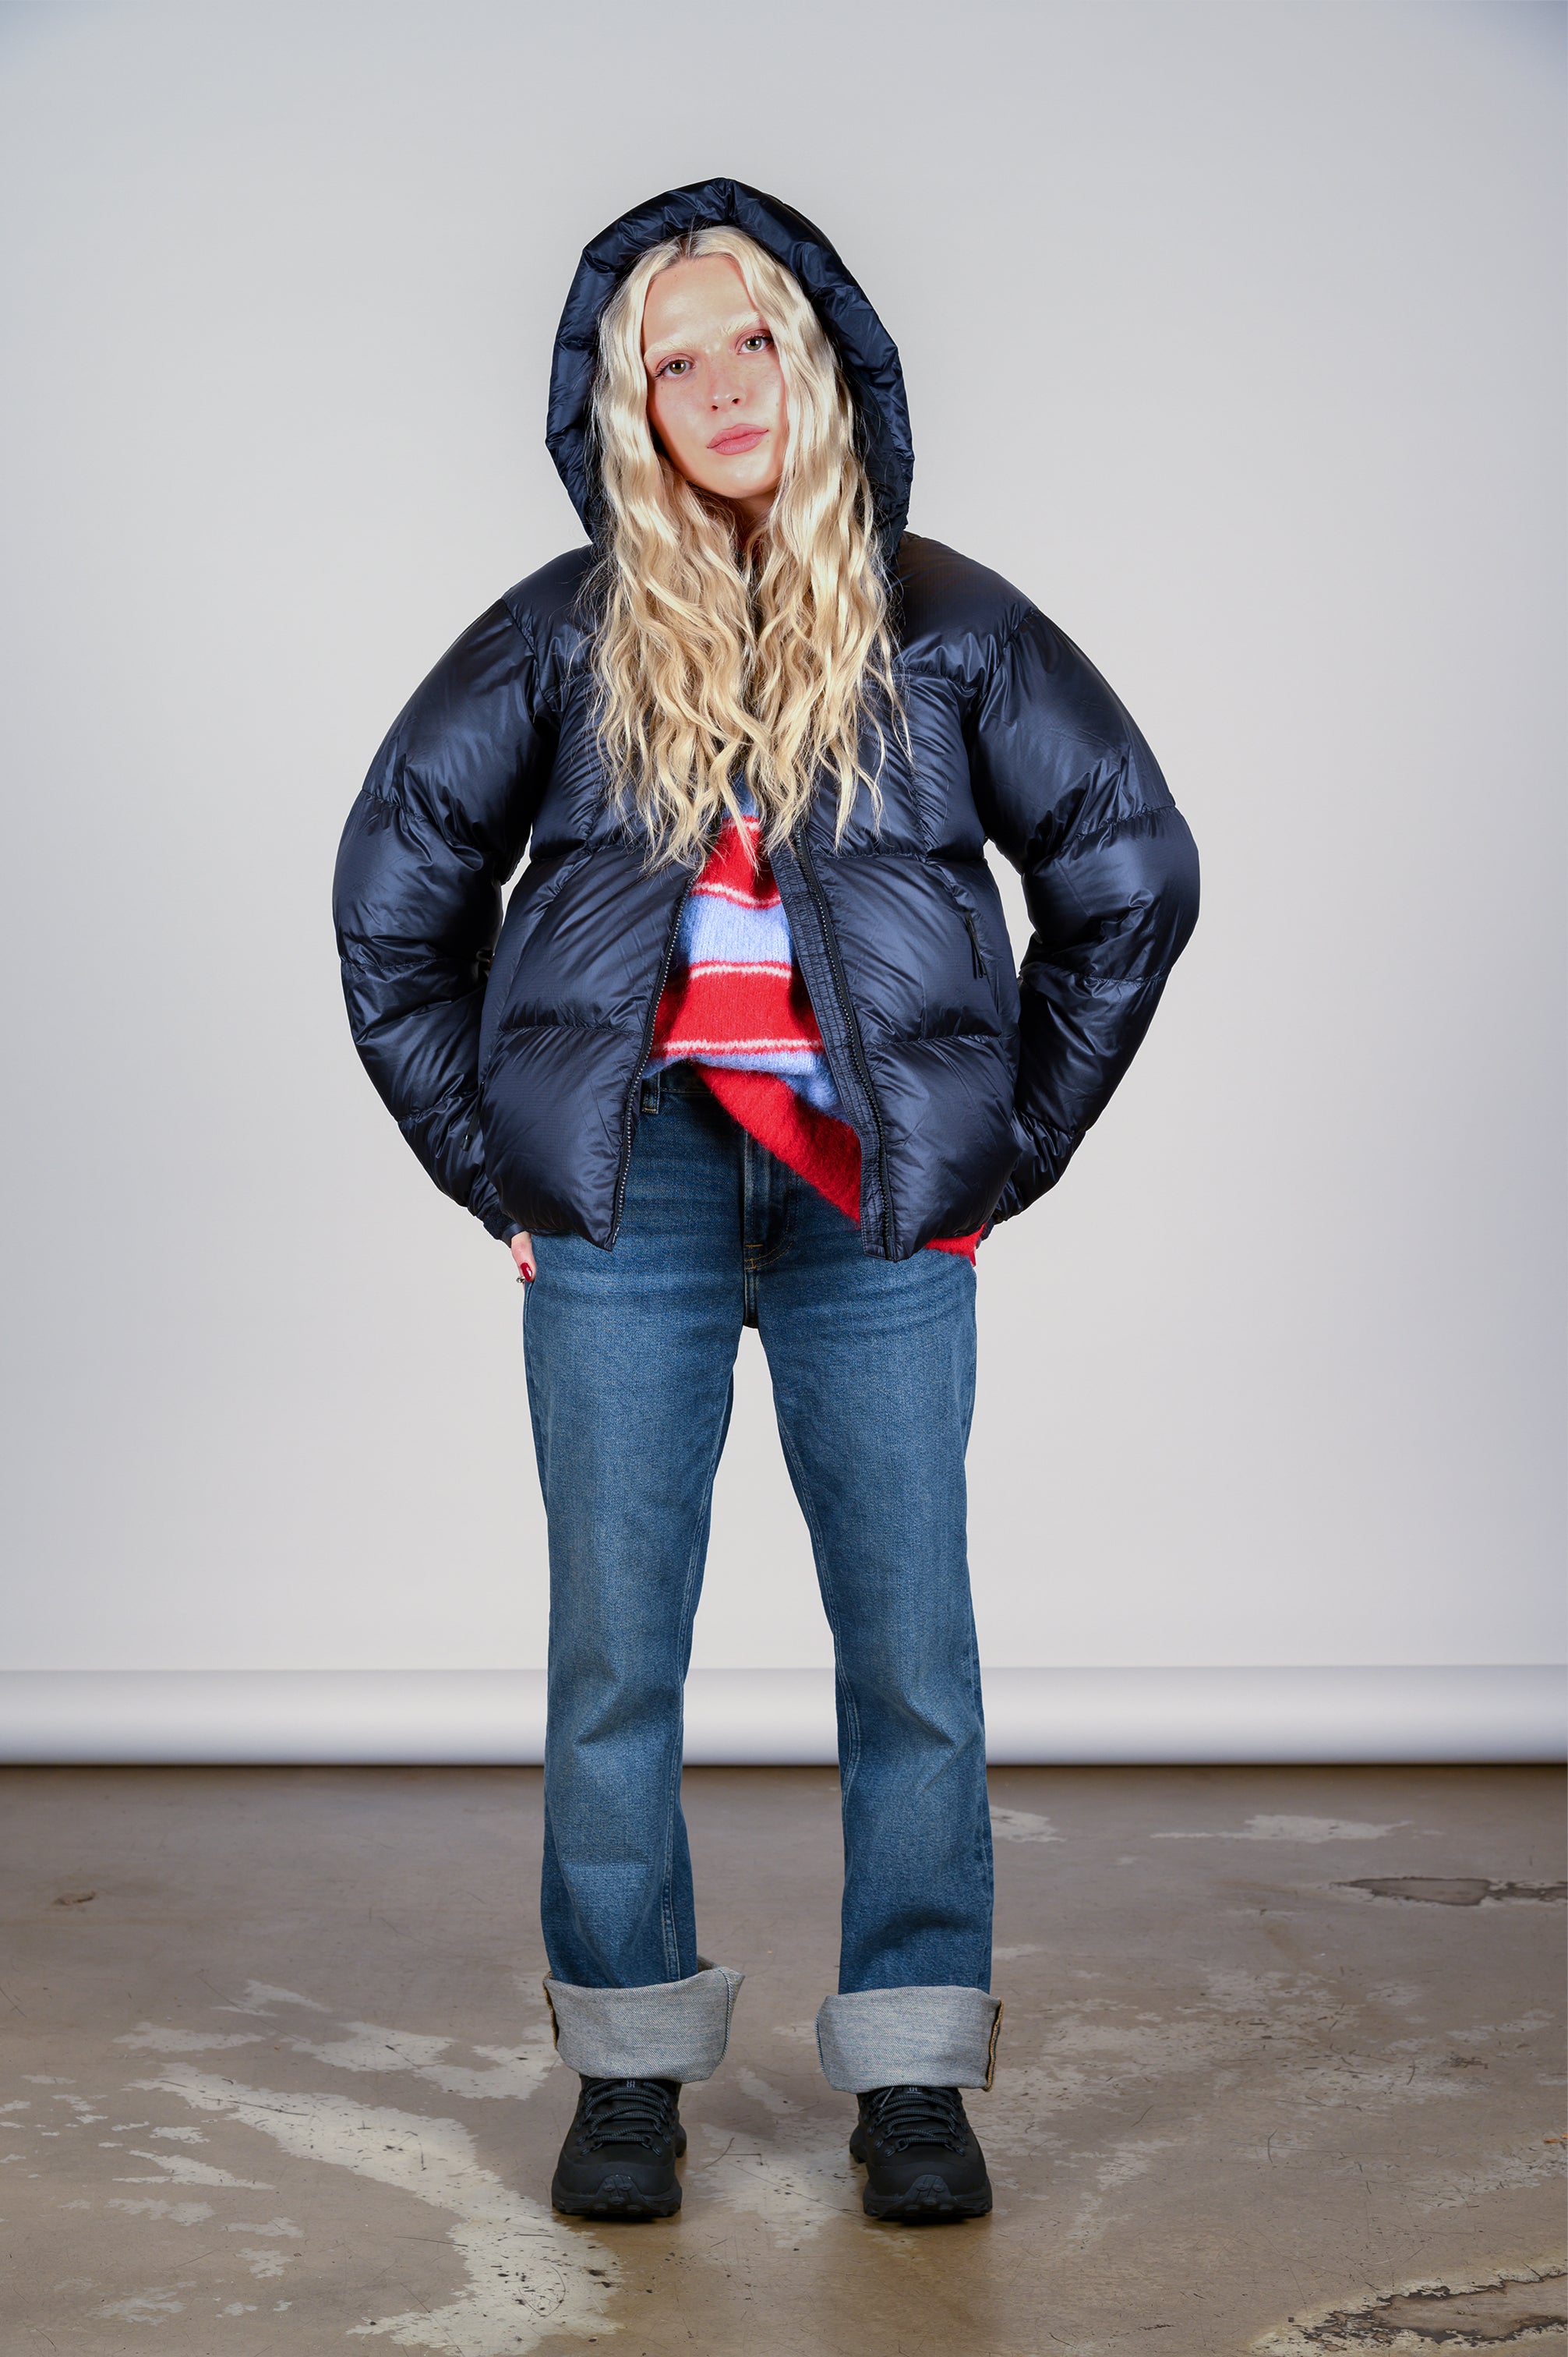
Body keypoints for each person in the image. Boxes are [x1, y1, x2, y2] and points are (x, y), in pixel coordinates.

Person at [333, 178, 1199, 2226]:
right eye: (675, 360)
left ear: (816, 365)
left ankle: (915, 2069)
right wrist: (492, 1163)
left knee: (908, 1650)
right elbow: (392, 896)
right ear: (627, 405)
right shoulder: (560, 632)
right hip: (626, 1187)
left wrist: (999, 1149)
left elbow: (1130, 872)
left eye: (753, 341)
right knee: (614, 1653)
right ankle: (627, 2064)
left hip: (866, 1209)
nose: (723, 385)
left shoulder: (948, 622)